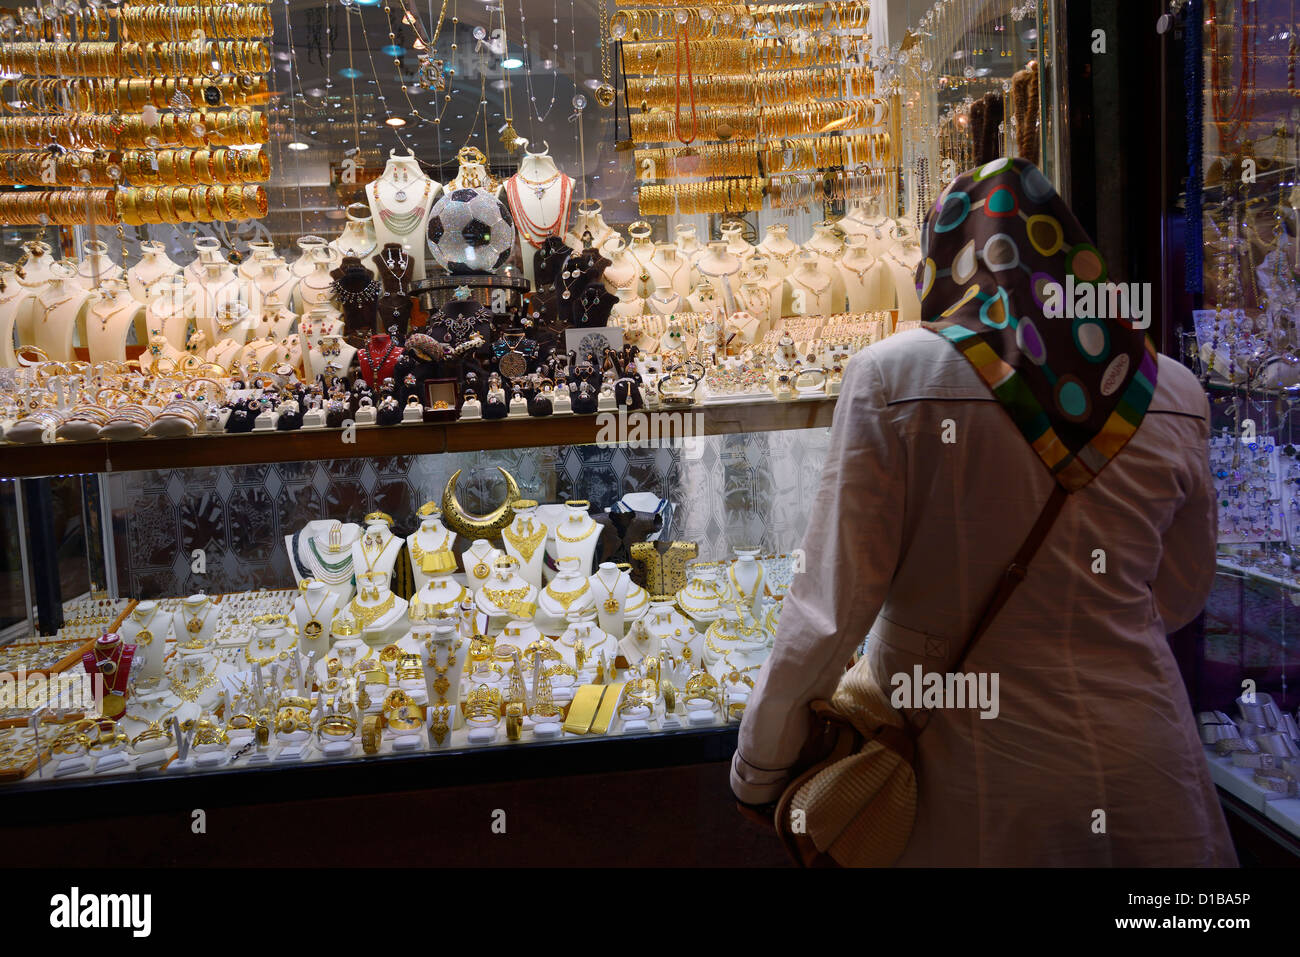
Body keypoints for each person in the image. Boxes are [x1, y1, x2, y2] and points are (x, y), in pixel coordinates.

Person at [731, 159, 1236, 866]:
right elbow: (1182, 590)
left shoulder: (894, 375)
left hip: (966, 773)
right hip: (1145, 764)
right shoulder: (1174, 390)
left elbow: (831, 605)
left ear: (944, 258)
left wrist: (762, 765)